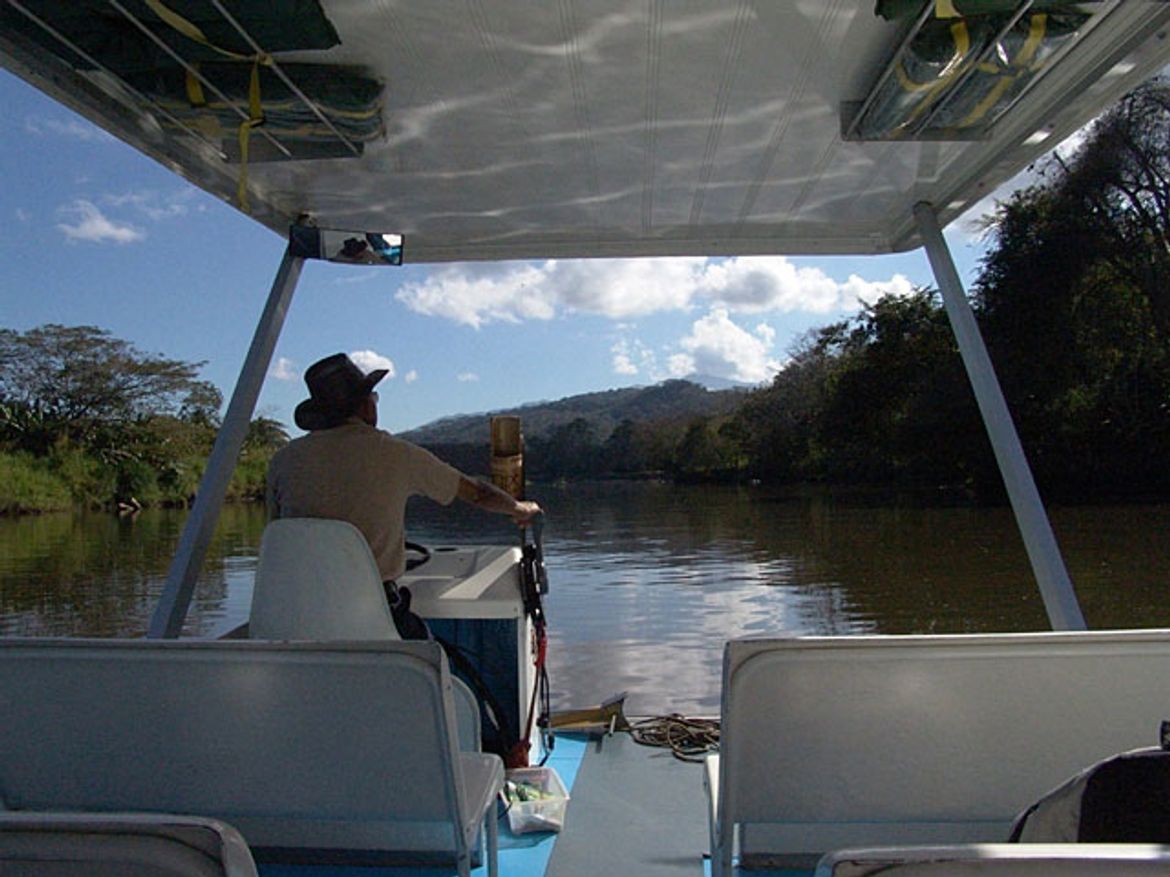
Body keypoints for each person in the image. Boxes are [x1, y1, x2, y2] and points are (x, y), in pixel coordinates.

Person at [266, 352, 542, 612]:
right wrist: (521, 510)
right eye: (374, 397)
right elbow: (478, 494)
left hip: (294, 609)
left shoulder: (283, 460)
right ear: (365, 406)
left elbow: (277, 531)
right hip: (368, 611)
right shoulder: (395, 453)